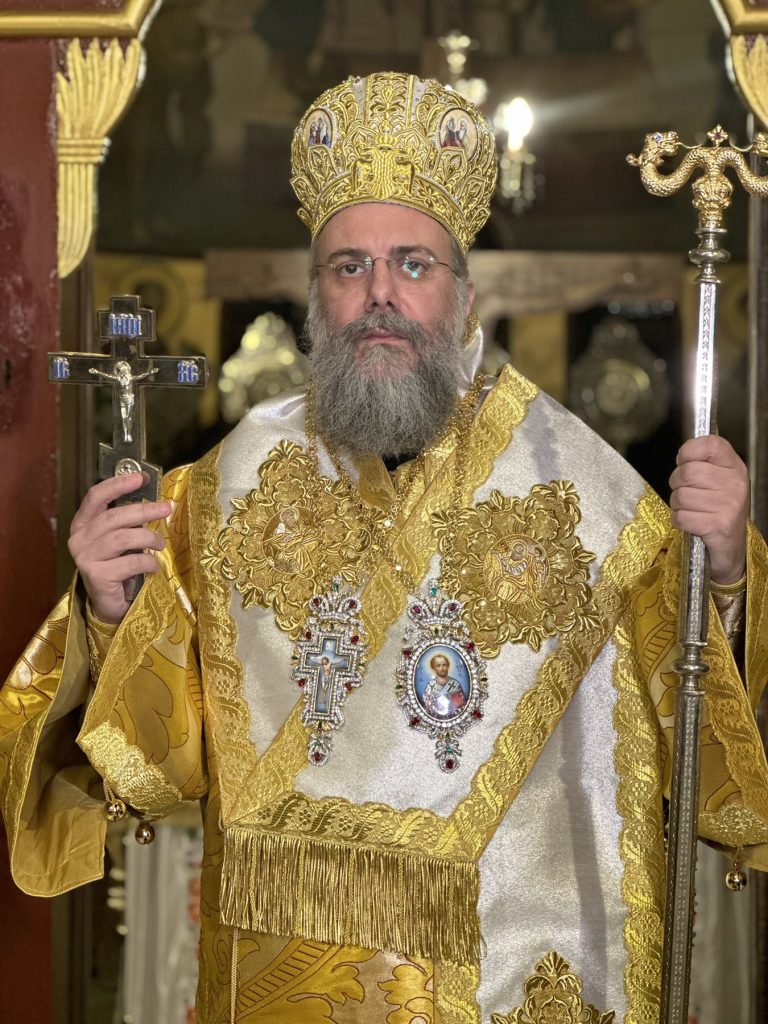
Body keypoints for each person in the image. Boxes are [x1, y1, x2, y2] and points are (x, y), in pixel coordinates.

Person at [2, 71, 768, 1024]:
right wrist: (111, 608)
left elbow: (712, 747)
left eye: (413, 264)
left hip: (511, 976)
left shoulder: (587, 495)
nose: (379, 296)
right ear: (315, 297)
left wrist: (725, 571)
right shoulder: (224, 490)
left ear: (465, 297)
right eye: (348, 267)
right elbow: (151, 764)